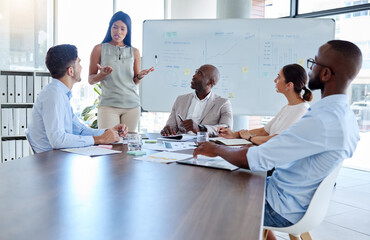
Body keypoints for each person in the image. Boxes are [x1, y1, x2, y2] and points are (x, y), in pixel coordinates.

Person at [193, 40, 362, 240]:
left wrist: (216, 150)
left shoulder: (321, 120)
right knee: (229, 180)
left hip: (281, 206)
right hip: (291, 197)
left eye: (313, 63)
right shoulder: (342, 116)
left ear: (325, 73)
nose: (310, 69)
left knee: (204, 198)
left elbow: (257, 158)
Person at [26, 44, 128, 154]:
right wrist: (99, 139)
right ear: (71, 71)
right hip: (50, 162)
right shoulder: (54, 95)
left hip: (59, 157)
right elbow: (58, 140)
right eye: (79, 63)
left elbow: (80, 130)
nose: (81, 67)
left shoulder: (61, 93)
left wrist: (108, 132)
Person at [89, 11, 154, 132]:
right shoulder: (99, 49)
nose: (118, 31)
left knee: (128, 146)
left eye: (123, 29)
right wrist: (101, 75)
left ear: (127, 31)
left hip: (132, 106)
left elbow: (134, 82)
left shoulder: (134, 52)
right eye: (115, 27)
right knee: (109, 143)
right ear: (110, 28)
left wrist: (139, 76)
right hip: (108, 106)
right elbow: (91, 80)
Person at [219, 64, 312, 146]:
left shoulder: (301, 110)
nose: (275, 80)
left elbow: (277, 140)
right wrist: (235, 134)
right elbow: (264, 131)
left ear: (289, 85)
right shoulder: (287, 108)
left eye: (279, 77)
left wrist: (250, 138)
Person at [160, 64, 233, 137]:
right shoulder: (180, 100)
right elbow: (172, 126)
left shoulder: (223, 103)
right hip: (179, 144)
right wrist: (168, 129)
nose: (194, 76)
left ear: (211, 82)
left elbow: (226, 128)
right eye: (196, 72)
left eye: (199, 74)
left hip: (206, 145)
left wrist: (200, 128)